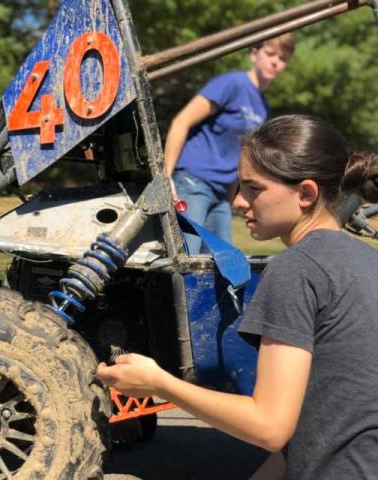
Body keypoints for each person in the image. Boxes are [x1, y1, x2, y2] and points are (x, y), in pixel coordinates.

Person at [98, 114, 378, 479]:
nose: (238, 202)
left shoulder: (296, 270)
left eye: (253, 189)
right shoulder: (367, 260)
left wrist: (160, 384)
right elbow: (311, 432)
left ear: (306, 193)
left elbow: (269, 426)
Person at [164, 34, 294, 253]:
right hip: (193, 181)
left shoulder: (264, 108)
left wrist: (238, 195)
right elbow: (181, 121)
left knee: (222, 261)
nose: (275, 62)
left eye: (282, 58)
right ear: (254, 54)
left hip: (222, 195)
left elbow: (242, 159)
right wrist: (165, 177)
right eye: (270, 54)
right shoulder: (232, 84)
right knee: (185, 255)